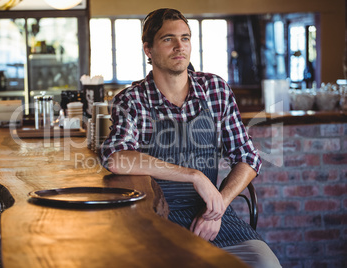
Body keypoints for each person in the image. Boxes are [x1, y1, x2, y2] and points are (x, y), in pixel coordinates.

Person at [100, 8, 281, 268]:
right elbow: (116, 158)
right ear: (148, 50)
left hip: (212, 216)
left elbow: (248, 157)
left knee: (266, 264)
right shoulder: (131, 100)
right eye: (168, 39)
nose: (179, 46)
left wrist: (218, 206)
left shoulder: (215, 90)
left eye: (185, 38)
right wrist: (193, 175)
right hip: (156, 216)